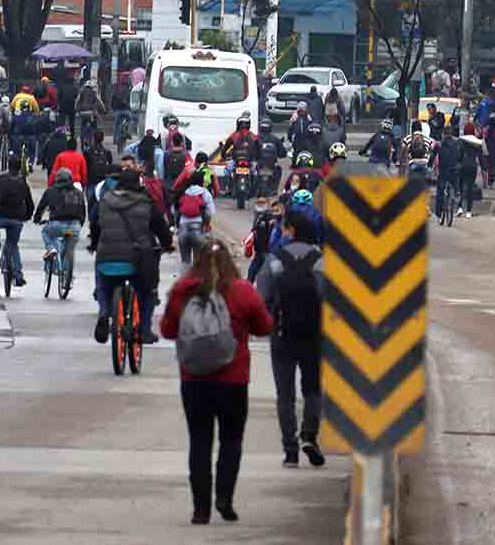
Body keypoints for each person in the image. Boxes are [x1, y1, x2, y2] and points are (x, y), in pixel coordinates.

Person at [160, 239, 273, 525]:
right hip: (233, 381)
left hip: (194, 379)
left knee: (199, 441)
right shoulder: (242, 291)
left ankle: (200, 509)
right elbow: (264, 326)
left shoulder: (183, 291)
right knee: (231, 440)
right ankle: (225, 499)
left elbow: (168, 330)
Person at [256, 209, 326, 469]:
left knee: (284, 394)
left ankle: (290, 450)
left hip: (282, 335)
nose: (282, 232)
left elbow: (260, 297)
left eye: (284, 228)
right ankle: (309, 435)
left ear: (292, 230)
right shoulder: (321, 261)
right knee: (313, 389)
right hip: (314, 335)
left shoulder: (275, 261)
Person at [89, 167, 172, 345]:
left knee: (103, 284)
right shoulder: (146, 202)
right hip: (137, 260)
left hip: (107, 256)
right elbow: (161, 228)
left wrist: (95, 244)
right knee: (148, 291)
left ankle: (104, 312)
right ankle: (143, 330)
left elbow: (95, 225)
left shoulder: (105, 200)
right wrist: (167, 244)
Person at [0, 156, 34, 288]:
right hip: (17, 218)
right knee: (13, 245)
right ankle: (18, 275)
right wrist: (27, 216)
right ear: (19, 168)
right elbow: (30, 203)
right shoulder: (23, 183)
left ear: (8, 165)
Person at [35, 167, 88, 271]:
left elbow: (41, 207)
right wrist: (79, 224)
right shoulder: (78, 192)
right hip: (74, 227)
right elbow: (83, 210)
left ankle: (52, 249)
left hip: (57, 226)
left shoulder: (50, 191)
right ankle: (67, 276)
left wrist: (37, 219)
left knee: (46, 232)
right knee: (70, 247)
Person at [175, 170, 216, 266]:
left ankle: (185, 279)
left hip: (183, 229)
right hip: (198, 230)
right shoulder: (205, 193)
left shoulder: (183, 191)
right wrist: (206, 226)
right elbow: (209, 213)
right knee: (198, 263)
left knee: (185, 262)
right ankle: (196, 280)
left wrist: (177, 226)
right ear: (202, 181)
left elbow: (176, 211)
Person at [432, 125, 461, 216]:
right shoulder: (457, 143)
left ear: (443, 134)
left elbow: (432, 156)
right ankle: (456, 193)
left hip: (443, 171)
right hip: (454, 170)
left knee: (440, 190)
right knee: (455, 184)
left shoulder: (439, 144)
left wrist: (429, 165)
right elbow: (460, 156)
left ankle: (438, 212)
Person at [457, 127, 483, 218]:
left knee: (460, 187)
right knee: (470, 188)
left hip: (462, 167)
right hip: (473, 167)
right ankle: (468, 211)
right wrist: (484, 168)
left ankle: (459, 207)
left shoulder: (461, 142)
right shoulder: (477, 143)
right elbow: (481, 156)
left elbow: (458, 155)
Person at [74, 79, 107, 147]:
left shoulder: (81, 92)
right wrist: (104, 110)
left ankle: (82, 138)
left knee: (82, 126)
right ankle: (95, 140)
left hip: (82, 113)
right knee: (95, 127)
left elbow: (77, 101)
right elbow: (99, 102)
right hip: (92, 113)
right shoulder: (94, 92)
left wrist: (76, 109)